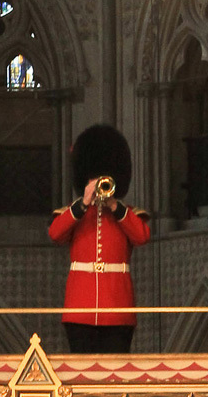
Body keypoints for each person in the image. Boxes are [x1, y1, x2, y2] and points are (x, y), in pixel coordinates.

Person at [48, 125, 150, 353]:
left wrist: (115, 205)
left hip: (118, 308)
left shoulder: (127, 214)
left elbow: (142, 236)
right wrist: (82, 204)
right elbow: (55, 234)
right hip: (79, 309)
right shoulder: (74, 213)